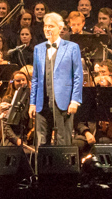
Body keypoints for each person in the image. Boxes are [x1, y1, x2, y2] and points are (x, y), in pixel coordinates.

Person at [29, 12, 83, 146]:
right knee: (42, 142)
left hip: (63, 102)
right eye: (46, 26)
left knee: (63, 140)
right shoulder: (38, 49)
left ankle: (64, 167)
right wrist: (32, 103)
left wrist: (75, 101)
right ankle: (43, 166)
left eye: (51, 26)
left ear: (60, 28)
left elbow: (78, 76)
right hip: (42, 103)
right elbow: (35, 78)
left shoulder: (72, 47)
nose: (47, 29)